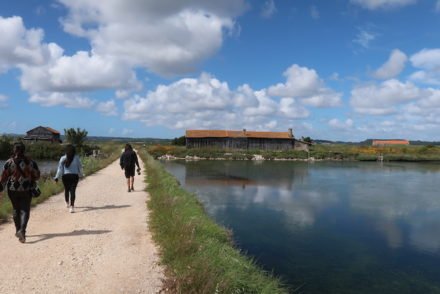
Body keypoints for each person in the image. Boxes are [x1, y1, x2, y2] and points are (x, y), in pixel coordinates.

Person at [0, 142, 40, 243]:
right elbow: (37, 175)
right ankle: (22, 230)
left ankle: (18, 230)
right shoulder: (30, 162)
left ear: (14, 150)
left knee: (15, 209)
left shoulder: (9, 162)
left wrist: (1, 189)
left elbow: (3, 178)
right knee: (25, 210)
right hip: (26, 189)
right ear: (24, 150)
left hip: (12, 190)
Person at [54, 144, 83, 213]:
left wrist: (56, 177)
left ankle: (67, 203)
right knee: (73, 191)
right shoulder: (77, 158)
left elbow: (60, 169)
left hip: (65, 176)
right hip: (74, 176)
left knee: (66, 190)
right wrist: (81, 175)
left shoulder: (63, 158)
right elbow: (80, 167)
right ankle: (72, 207)